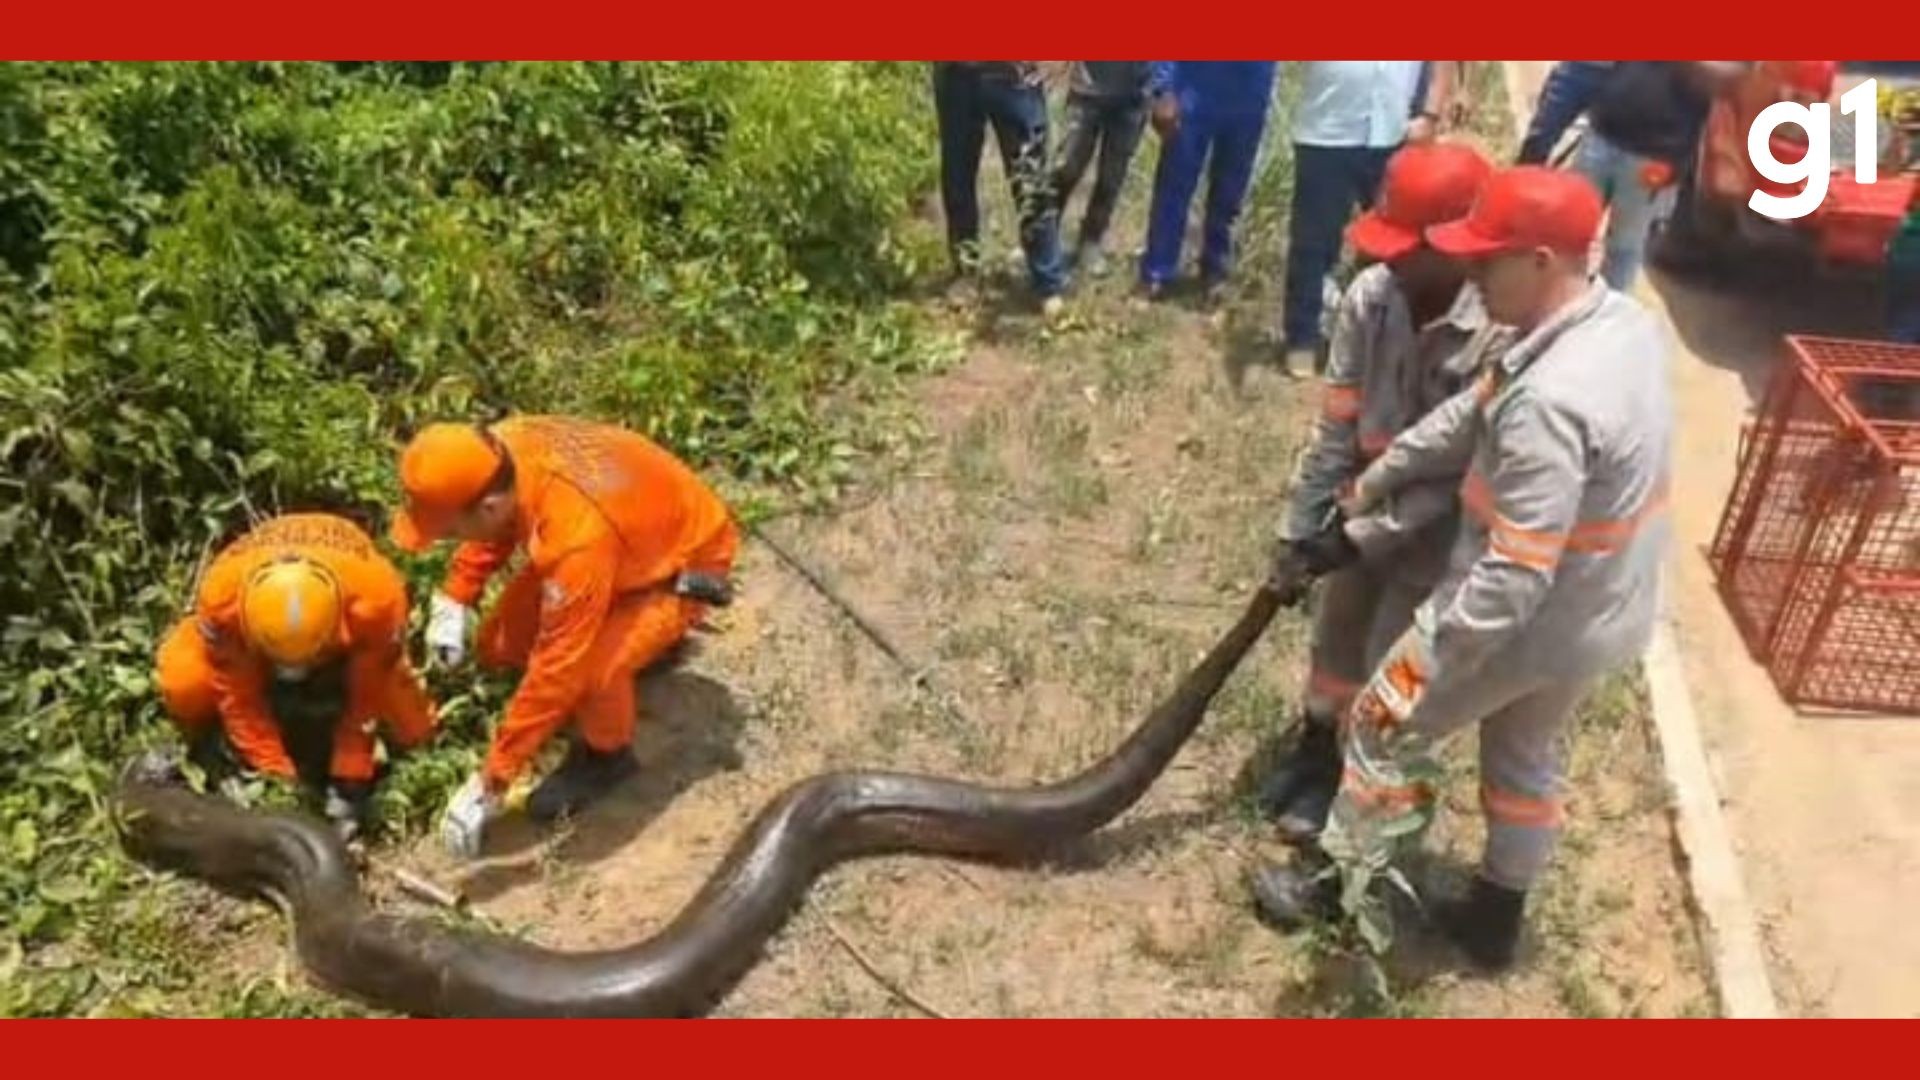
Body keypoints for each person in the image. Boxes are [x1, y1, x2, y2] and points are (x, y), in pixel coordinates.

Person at [1251, 167, 1674, 972]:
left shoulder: (1552, 402)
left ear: (1543, 260)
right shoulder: (1611, 323)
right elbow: (1464, 413)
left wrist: (1420, 662)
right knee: (1522, 758)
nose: (1474, 275)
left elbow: (1513, 577)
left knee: (1381, 721)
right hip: (1602, 615)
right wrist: (1373, 485)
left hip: (1536, 619)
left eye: (1490, 261)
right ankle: (1495, 916)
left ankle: (1342, 888)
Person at [1258, 142, 1504, 843]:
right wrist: (1300, 529)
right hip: (1359, 510)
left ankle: (1356, 802)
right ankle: (1314, 752)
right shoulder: (1373, 299)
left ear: (1457, 247)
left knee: (1390, 669)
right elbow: (1337, 425)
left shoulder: (1497, 335)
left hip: (1438, 535)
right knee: (1337, 636)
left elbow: (1455, 475)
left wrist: (1353, 536)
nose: (1388, 260)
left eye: (1407, 248)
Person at [390, 416, 739, 859]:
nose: (448, 539)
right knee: (501, 646)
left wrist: (492, 779)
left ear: (487, 507)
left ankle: (606, 756)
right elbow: (496, 524)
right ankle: (627, 640)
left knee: (590, 673)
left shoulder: (575, 543)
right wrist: (457, 594)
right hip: (621, 542)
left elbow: (558, 666)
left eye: (450, 531)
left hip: (682, 564)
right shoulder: (503, 449)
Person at [154, 513, 437, 841]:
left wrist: (350, 780)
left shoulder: (378, 598)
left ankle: (420, 751)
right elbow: (237, 696)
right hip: (250, 644)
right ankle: (209, 745)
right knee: (184, 680)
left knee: (414, 725)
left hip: (349, 633)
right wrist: (277, 777)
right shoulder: (221, 597)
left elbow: (367, 695)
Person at [1280, 61, 1456, 378]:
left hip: (1392, 132)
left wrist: (1430, 116)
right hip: (1328, 132)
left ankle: (1383, 337)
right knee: (1313, 241)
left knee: (1397, 243)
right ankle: (1302, 338)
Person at [1517, 61, 1750, 290]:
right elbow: (1587, 68)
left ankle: (1605, 318)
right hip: (1601, 135)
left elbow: (1730, 80)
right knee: (1566, 228)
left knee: (1623, 247)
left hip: (1655, 158)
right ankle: (1551, 301)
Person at [931, 62, 1068, 316]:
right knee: (957, 175)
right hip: (957, 74)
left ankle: (1048, 282)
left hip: (1014, 73)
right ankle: (965, 271)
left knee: (1031, 178)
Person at [1139, 61, 1279, 299]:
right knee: (1174, 185)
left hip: (1248, 96)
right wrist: (1163, 88)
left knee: (1230, 191)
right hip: (1194, 87)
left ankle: (1216, 268)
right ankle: (1157, 272)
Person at [1051, 62, 1155, 278]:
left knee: (1111, 177)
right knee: (1067, 167)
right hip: (1087, 90)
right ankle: (1044, 236)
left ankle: (1091, 240)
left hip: (1133, 96)